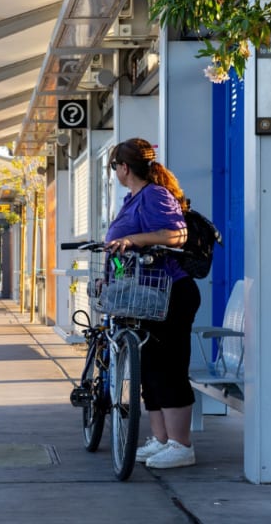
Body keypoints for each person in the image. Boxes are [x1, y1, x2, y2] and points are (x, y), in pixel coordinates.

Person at [103, 138, 201, 469]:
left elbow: (177, 235)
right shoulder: (133, 199)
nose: (114, 172)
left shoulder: (155, 195)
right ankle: (162, 440)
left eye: (114, 167)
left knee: (170, 369)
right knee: (151, 371)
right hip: (147, 297)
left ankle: (181, 445)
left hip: (171, 293)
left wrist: (133, 239)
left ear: (124, 168)